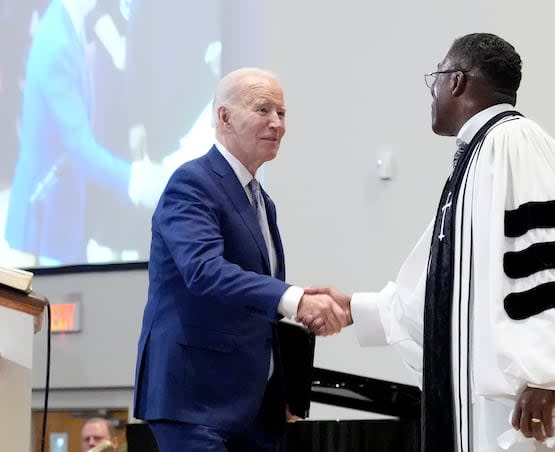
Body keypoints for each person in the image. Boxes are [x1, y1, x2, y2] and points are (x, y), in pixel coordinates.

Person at [306, 33, 555, 452]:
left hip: (524, 406)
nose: (432, 93)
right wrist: (356, 309)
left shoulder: (517, 143)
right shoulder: (477, 155)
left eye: (435, 78)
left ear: (456, 81)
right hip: (486, 404)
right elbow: (447, 289)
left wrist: (554, 376)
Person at [133, 67, 350, 451]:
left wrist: (284, 389)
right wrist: (295, 299)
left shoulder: (262, 201)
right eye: (263, 109)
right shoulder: (192, 183)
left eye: (282, 113)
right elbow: (204, 271)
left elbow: (257, 309)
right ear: (225, 117)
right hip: (195, 401)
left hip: (255, 409)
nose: (277, 124)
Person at [4, 0, 164, 265]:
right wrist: (137, 182)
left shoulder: (68, 24)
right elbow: (79, 148)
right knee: (57, 303)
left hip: (62, 213)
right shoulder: (57, 42)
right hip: (44, 224)